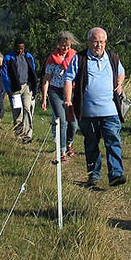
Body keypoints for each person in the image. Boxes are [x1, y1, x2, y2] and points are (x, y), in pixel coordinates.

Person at [64, 27, 127, 188]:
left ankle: (116, 174)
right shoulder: (80, 58)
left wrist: (119, 83)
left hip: (111, 110)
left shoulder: (113, 58)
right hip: (88, 112)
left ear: (105, 42)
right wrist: (67, 100)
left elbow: (121, 73)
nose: (98, 45)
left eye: (101, 42)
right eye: (95, 41)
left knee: (113, 140)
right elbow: (68, 79)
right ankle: (93, 176)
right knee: (91, 144)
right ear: (89, 42)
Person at [41, 31, 79, 164]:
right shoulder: (52, 60)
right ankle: (61, 151)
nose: (66, 49)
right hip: (56, 93)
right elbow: (46, 80)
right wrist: (44, 97)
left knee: (73, 123)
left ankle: (69, 143)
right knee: (62, 121)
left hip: (69, 93)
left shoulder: (74, 57)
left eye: (68, 46)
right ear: (58, 45)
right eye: (63, 46)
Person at [4, 39, 38, 143]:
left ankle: (27, 134)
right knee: (17, 111)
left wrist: (34, 85)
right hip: (15, 88)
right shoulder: (9, 58)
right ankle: (18, 134)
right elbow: (5, 74)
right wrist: (8, 89)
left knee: (27, 109)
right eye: (18, 48)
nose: (20, 50)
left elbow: (33, 69)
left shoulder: (28, 56)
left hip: (27, 86)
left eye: (22, 48)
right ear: (15, 47)